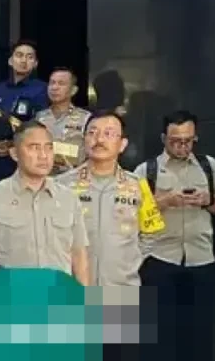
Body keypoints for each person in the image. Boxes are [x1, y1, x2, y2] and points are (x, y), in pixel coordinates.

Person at [0, 120, 91, 285]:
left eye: (49, 148)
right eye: (34, 148)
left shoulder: (68, 198)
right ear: (14, 153)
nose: (43, 155)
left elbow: (79, 255)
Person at [57, 111, 163, 285]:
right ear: (84, 140)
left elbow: (151, 233)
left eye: (108, 133)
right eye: (92, 133)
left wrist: (128, 263)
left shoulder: (138, 185)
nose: (99, 139)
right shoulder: (61, 185)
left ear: (122, 144)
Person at [134, 110, 215, 287]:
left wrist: (208, 201)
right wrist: (165, 201)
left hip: (202, 258)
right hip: (159, 258)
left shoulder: (208, 165)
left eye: (188, 140)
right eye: (175, 141)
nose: (182, 146)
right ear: (163, 138)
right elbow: (131, 214)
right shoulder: (146, 170)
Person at [0, 40, 49, 185]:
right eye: (19, 55)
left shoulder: (42, 90)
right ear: (10, 61)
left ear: (35, 63)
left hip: (23, 162)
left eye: (29, 57)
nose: (24, 60)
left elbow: (42, 126)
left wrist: (13, 144)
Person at [34, 67, 90, 175]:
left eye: (61, 83)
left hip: (74, 178)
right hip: (44, 178)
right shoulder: (39, 117)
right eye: (52, 83)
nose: (55, 87)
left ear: (73, 90)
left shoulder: (85, 118)